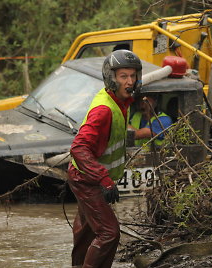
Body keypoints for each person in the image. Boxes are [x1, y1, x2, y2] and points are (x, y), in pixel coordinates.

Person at [67, 49, 142, 268]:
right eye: (123, 77)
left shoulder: (120, 101)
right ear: (111, 78)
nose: (130, 82)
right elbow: (79, 148)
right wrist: (105, 180)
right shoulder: (104, 110)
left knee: (86, 233)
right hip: (87, 179)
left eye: (133, 76)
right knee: (109, 233)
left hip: (90, 176)